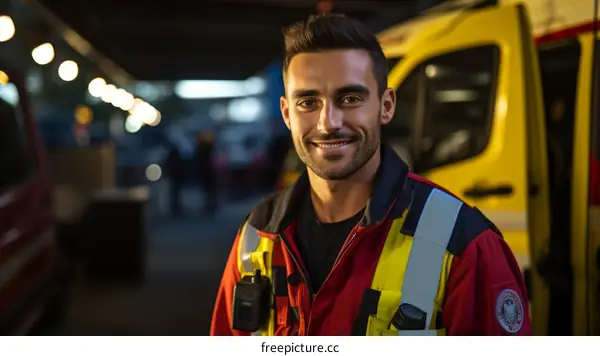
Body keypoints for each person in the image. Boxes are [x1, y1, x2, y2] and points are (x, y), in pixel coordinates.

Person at [210, 14, 531, 336]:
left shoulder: (463, 243)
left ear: (386, 105)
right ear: (286, 114)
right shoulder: (256, 238)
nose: (328, 123)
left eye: (350, 99)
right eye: (308, 102)